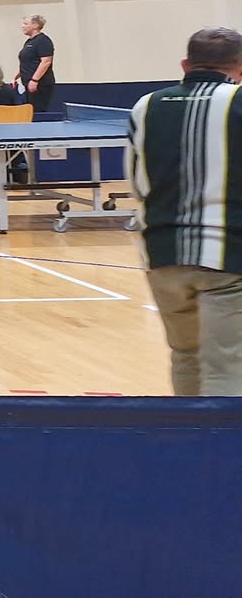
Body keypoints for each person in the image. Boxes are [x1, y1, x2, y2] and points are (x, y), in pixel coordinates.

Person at [129, 27, 242, 395]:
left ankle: (190, 430)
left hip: (162, 254)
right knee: (227, 364)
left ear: (185, 65)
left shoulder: (146, 106)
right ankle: (224, 435)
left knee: (185, 355)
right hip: (230, 258)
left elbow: (137, 184)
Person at [17, 14, 57, 115]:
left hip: (40, 84)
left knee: (37, 111)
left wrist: (35, 80)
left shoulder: (43, 40)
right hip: (27, 83)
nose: (22, 26)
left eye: (26, 24)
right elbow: (26, 62)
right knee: (28, 112)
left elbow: (46, 61)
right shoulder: (29, 42)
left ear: (35, 25)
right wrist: (16, 77)